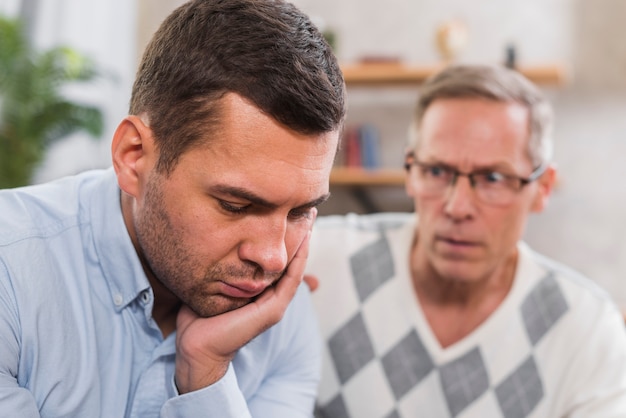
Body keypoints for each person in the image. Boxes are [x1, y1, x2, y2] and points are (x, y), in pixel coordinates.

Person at [0, 0, 345, 416]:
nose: (272, 258)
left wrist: (208, 373)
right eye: (235, 205)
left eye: (300, 212)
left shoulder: (280, 316)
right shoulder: (11, 273)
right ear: (133, 156)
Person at [308, 64, 626, 418]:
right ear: (410, 173)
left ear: (543, 189)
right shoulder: (318, 262)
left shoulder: (586, 331)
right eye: (437, 171)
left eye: (492, 177)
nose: (457, 207)